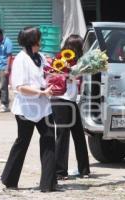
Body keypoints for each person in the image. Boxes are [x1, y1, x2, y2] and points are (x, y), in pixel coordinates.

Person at [1, 27, 57, 192]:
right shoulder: (20, 59)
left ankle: (48, 183)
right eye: (39, 38)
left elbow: (50, 73)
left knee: (48, 141)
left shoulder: (40, 57)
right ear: (33, 41)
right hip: (26, 109)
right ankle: (9, 179)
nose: (42, 41)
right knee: (22, 143)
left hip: (44, 108)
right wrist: (41, 92)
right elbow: (19, 87)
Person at [51, 34, 90, 180]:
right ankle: (60, 172)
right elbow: (55, 76)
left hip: (71, 100)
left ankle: (84, 170)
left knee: (79, 135)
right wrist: (71, 71)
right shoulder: (60, 58)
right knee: (63, 135)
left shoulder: (78, 60)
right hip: (60, 100)